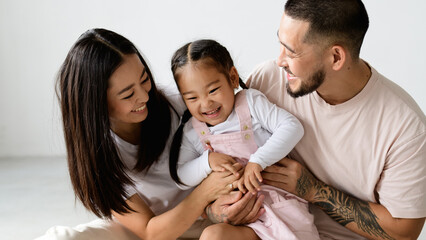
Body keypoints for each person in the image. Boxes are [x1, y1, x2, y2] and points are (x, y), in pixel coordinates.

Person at [38, 28, 251, 240]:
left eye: (144, 79)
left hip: (207, 221)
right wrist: (205, 191)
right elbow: (149, 232)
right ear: (96, 105)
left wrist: (213, 202)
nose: (144, 96)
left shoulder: (179, 107)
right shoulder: (99, 155)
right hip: (154, 230)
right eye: (128, 94)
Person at [241, 0, 426, 239]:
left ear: (336, 57)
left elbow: (404, 232)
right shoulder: (267, 81)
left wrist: (314, 190)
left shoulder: (405, 127)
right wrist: (220, 210)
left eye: (292, 51)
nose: (280, 61)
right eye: (280, 44)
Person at [169, 39, 320, 240]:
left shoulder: (250, 102)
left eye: (213, 90)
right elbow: (181, 177)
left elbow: (292, 127)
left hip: (277, 205)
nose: (206, 103)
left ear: (232, 78)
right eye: (192, 98)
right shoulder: (192, 131)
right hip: (240, 219)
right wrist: (207, 161)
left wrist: (258, 160)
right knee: (212, 235)